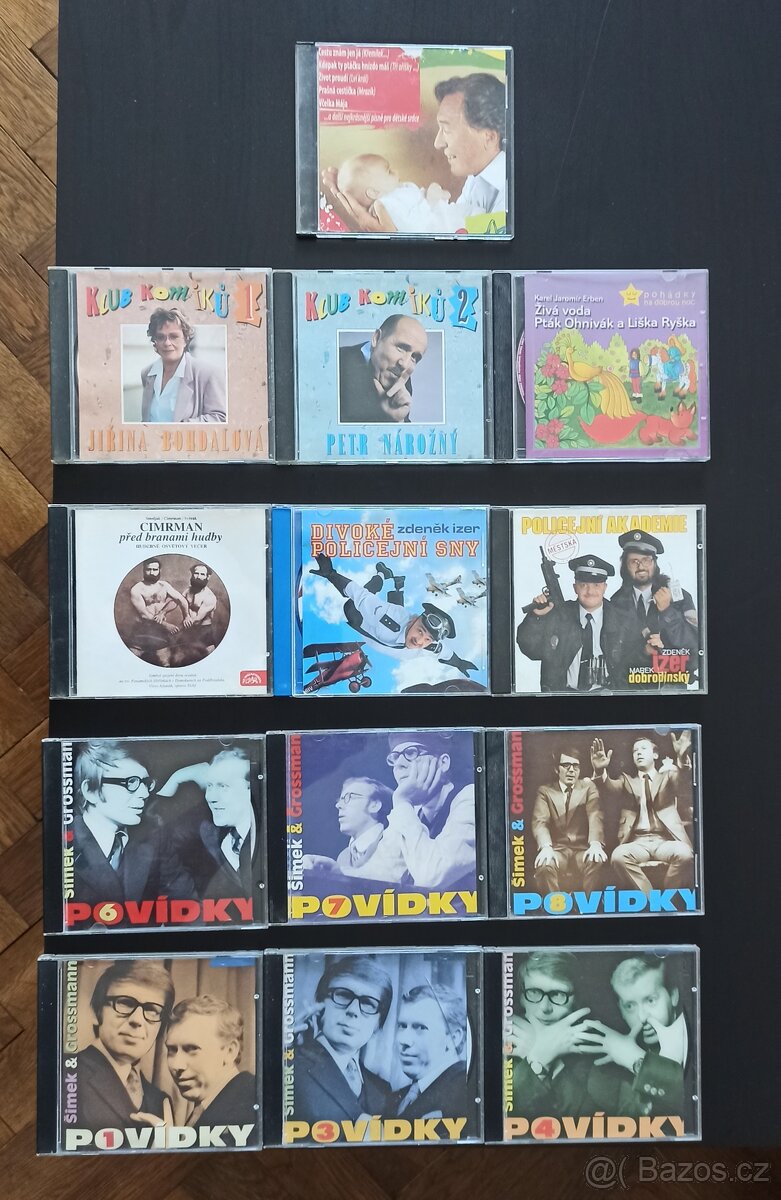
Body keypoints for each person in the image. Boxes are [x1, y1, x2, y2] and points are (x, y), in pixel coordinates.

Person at [324, 73, 507, 234]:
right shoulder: (477, 179)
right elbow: (454, 229)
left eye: (447, 129)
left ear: (489, 137)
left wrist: (395, 243)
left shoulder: (511, 196)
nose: (438, 143)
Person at [72, 741, 195, 922]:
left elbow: (188, 904)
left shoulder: (154, 836)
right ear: (91, 791)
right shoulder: (64, 842)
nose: (144, 794)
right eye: (131, 782)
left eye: (146, 783)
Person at [355, 733, 476, 890]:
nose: (399, 765)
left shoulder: (469, 797)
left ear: (443, 763)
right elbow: (383, 871)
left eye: (411, 752)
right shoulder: (410, 812)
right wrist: (339, 872)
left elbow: (431, 876)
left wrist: (402, 801)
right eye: (394, 757)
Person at [580, 955, 690, 1119]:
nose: (642, 1017)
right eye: (630, 1006)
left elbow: (698, 1106)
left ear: (673, 995)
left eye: (650, 1000)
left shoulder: (697, 1040)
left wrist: (636, 1060)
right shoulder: (605, 1076)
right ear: (620, 1010)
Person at [75, 960, 175, 1132]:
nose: (137, 1020)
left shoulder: (160, 1102)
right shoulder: (65, 1073)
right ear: (96, 1013)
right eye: (125, 1003)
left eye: (152, 1010)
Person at [291, 956, 393, 1125]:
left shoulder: (383, 1089)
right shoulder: (289, 1064)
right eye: (343, 995)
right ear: (319, 1004)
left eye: (368, 1003)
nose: (353, 1010)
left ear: (378, 1022)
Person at [590, 732, 694, 894]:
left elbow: (681, 780)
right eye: (635, 751)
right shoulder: (627, 781)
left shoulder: (667, 777)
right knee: (618, 857)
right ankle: (651, 898)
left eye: (643, 749)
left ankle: (668, 896)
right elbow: (610, 788)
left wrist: (682, 759)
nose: (638, 752)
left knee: (685, 854)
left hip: (664, 841)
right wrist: (600, 771)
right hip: (638, 843)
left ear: (655, 754)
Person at [156, 747, 259, 903]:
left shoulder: (268, 834)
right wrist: (177, 777)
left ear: (250, 788)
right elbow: (154, 825)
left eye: (223, 786)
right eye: (210, 785)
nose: (211, 797)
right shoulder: (209, 831)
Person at [507, 951, 601, 1120]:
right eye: (534, 992)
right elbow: (499, 1119)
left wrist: (540, 1058)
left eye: (558, 994)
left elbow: (588, 1122)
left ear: (576, 1001)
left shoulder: (592, 1051)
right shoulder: (501, 1042)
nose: (545, 1008)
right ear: (521, 997)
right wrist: (540, 1057)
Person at [516, 555, 625, 692]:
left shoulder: (622, 620)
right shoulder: (557, 614)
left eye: (596, 585)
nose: (590, 591)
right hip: (564, 695)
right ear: (575, 587)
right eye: (583, 585)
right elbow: (530, 649)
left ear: (605, 587)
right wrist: (536, 617)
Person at [311, 556, 456, 655]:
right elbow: (361, 595)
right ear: (413, 620)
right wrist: (331, 574)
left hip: (396, 620)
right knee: (351, 607)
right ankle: (382, 574)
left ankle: (399, 586)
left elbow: (439, 648)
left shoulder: (428, 643)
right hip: (377, 619)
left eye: (427, 639)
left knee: (396, 616)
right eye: (420, 630)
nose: (419, 641)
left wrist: (459, 662)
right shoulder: (389, 618)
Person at [610, 530, 699, 685]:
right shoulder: (616, 603)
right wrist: (644, 652)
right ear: (625, 566)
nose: (641, 567)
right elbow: (614, 658)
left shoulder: (679, 597)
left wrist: (667, 611)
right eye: (634, 561)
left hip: (671, 686)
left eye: (646, 560)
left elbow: (696, 652)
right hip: (630, 687)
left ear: (655, 563)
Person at [165, 995, 257, 1136]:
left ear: (230, 1051)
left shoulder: (252, 1104)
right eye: (171, 1050)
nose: (177, 1065)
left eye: (191, 1049)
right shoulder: (210, 1106)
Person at [388, 983, 473, 1131]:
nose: (404, 1040)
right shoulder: (396, 1098)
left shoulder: (468, 1089)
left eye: (420, 1027)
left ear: (454, 1038)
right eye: (402, 1026)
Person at [531, 746, 607, 893]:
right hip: (558, 849)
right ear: (556, 769)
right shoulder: (545, 791)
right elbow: (540, 822)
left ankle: (589, 905)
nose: (571, 770)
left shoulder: (588, 787)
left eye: (575, 766)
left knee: (596, 861)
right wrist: (546, 847)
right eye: (566, 765)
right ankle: (556, 905)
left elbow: (595, 814)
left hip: (582, 849)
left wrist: (595, 844)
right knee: (545, 865)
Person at [336, 154, 469, 234]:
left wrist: (436, 195)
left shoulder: (398, 189)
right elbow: (412, 227)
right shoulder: (386, 206)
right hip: (444, 228)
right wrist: (430, 201)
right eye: (389, 171)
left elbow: (417, 196)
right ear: (373, 192)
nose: (395, 171)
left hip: (449, 214)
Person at [140, 307, 226, 423]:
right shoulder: (147, 374)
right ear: (155, 342)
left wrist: (182, 428)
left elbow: (220, 417)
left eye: (174, 336)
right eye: (160, 337)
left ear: (185, 339)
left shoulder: (208, 374)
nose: (167, 343)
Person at [339, 314, 429, 424]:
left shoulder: (401, 381)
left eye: (414, 357)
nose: (405, 365)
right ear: (376, 338)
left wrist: (398, 420)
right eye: (401, 348)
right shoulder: (337, 362)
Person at [302, 776, 393, 879]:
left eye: (350, 797)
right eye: (340, 799)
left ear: (375, 805)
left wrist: (340, 872)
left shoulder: (394, 841)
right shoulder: (343, 857)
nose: (338, 805)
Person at [126, 558, 188, 661]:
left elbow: (180, 600)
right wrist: (166, 625)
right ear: (144, 570)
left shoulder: (164, 585)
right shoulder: (137, 589)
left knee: (165, 662)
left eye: (155, 569)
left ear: (159, 570)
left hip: (159, 629)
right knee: (132, 659)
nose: (152, 572)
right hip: (142, 628)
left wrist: (187, 616)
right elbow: (144, 614)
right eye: (149, 569)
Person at [165, 563, 219, 665]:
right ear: (192, 574)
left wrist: (175, 630)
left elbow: (197, 619)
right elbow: (177, 601)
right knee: (179, 660)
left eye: (202, 574)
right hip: (188, 631)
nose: (198, 577)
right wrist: (162, 612)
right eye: (196, 573)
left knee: (207, 663)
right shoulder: (188, 590)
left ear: (208, 577)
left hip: (203, 632)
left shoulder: (209, 597)